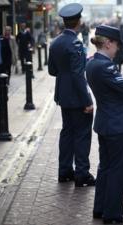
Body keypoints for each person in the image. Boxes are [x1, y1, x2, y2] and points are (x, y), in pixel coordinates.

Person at [86, 24, 123, 224]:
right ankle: (113, 214)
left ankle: (100, 208)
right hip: (117, 126)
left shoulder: (93, 63)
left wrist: (122, 76)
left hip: (104, 123)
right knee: (118, 171)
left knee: (105, 168)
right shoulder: (106, 66)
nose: (118, 48)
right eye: (117, 44)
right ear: (108, 43)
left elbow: (112, 83)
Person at [48, 3, 96, 187]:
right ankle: (82, 174)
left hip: (63, 96)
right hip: (77, 97)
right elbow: (77, 75)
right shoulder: (75, 43)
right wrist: (88, 101)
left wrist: (65, 71)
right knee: (82, 134)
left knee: (67, 133)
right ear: (78, 22)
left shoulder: (56, 42)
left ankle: (65, 171)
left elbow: (53, 70)